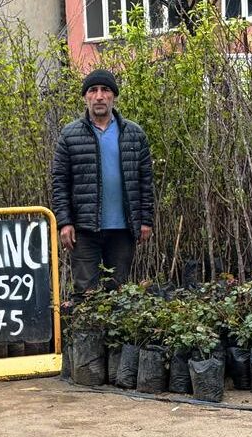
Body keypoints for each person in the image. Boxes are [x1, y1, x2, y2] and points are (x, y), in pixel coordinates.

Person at [51, 69, 155, 300]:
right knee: (85, 293)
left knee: (119, 294)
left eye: (105, 90)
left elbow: (145, 180)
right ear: (85, 97)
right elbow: (60, 182)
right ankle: (88, 337)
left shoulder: (134, 134)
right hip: (84, 229)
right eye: (93, 90)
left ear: (113, 96)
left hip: (123, 229)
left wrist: (145, 219)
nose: (99, 96)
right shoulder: (69, 135)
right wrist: (65, 222)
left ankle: (116, 337)